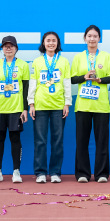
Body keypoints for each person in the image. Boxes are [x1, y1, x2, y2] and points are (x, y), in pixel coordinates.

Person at [70, 25, 110, 183]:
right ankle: (82, 173)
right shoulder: (78, 57)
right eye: (89, 36)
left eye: (95, 36)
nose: (92, 39)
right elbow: (72, 79)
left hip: (101, 105)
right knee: (81, 141)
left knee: (102, 141)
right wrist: (84, 77)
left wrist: (99, 79)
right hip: (82, 105)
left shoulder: (106, 57)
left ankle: (102, 174)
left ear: (99, 38)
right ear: (85, 38)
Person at [28, 32, 72, 183]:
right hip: (40, 105)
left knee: (57, 141)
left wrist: (67, 103)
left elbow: (67, 83)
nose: (51, 43)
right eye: (48, 40)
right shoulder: (37, 62)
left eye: (54, 40)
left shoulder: (64, 61)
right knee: (40, 141)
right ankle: (40, 173)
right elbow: (33, 82)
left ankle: (55, 172)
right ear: (44, 43)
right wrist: (31, 103)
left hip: (58, 106)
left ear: (58, 43)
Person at [0, 36, 29, 183]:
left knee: (15, 139)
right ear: (2, 49)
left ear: (16, 48)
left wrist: (25, 109)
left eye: (11, 46)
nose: (8, 48)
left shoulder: (23, 65)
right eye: (5, 46)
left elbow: (26, 89)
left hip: (16, 108)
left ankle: (16, 171)